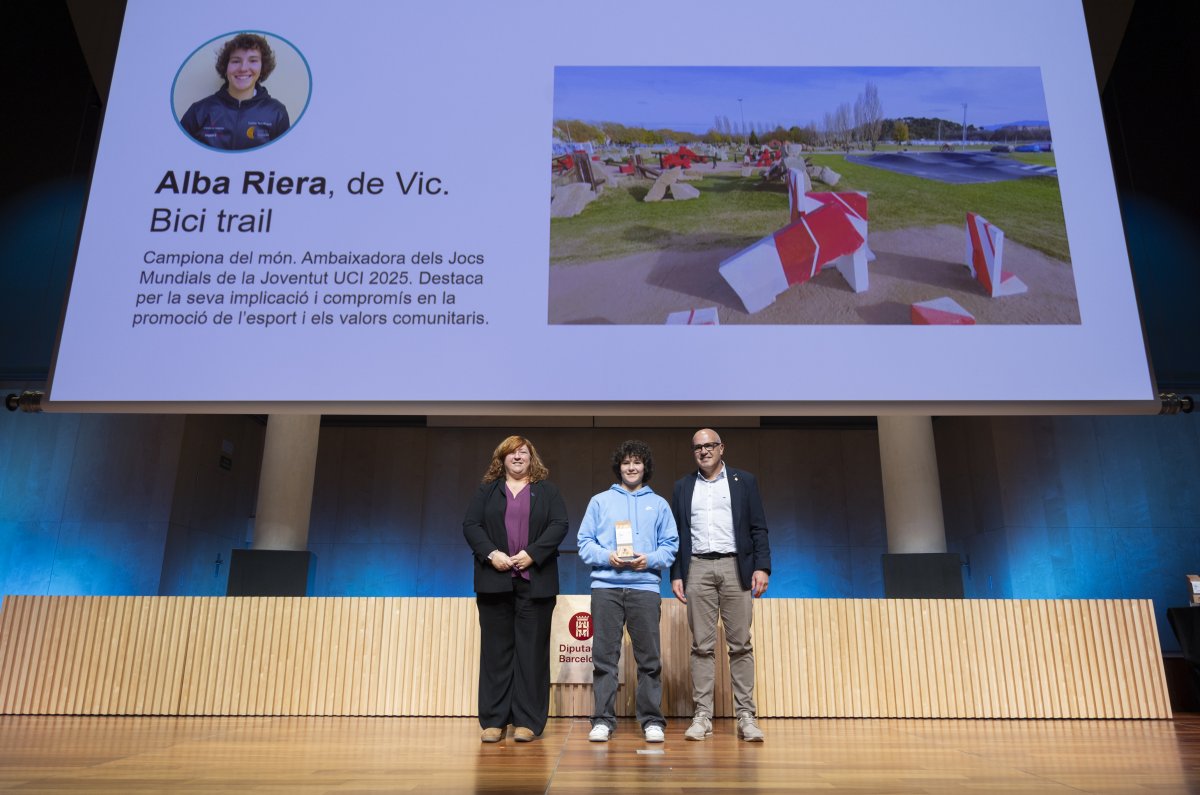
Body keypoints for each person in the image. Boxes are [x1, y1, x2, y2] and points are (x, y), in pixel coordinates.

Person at [463, 435, 569, 743]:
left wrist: (532, 553)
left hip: (535, 583)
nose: (518, 457)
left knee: (532, 654)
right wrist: (491, 554)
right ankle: (494, 721)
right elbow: (471, 526)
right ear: (502, 459)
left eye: (523, 452)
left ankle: (528, 721)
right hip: (493, 583)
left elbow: (559, 525)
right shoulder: (486, 491)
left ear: (531, 458)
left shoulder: (547, 491)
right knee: (496, 654)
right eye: (512, 453)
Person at [670, 428, 771, 742]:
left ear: (722, 448)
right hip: (697, 567)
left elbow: (759, 528)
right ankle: (702, 716)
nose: (704, 451)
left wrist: (762, 567)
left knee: (740, 645)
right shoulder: (682, 487)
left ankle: (746, 716)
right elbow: (677, 536)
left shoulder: (745, 481)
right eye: (698, 447)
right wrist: (676, 573)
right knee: (702, 646)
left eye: (710, 445)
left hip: (735, 567)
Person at [577, 440, 678, 744]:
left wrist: (652, 559)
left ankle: (651, 720)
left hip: (645, 587)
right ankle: (603, 720)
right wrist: (607, 556)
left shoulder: (658, 504)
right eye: (626, 463)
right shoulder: (599, 501)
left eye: (637, 462)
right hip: (606, 587)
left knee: (649, 658)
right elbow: (585, 543)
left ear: (645, 467)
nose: (631, 468)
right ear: (618, 467)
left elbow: (670, 546)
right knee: (604, 658)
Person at [180, 33, 290, 150]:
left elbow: (285, 161)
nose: (243, 68)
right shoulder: (199, 111)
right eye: (236, 61)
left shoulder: (277, 113)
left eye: (253, 61)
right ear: (225, 66)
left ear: (262, 67)